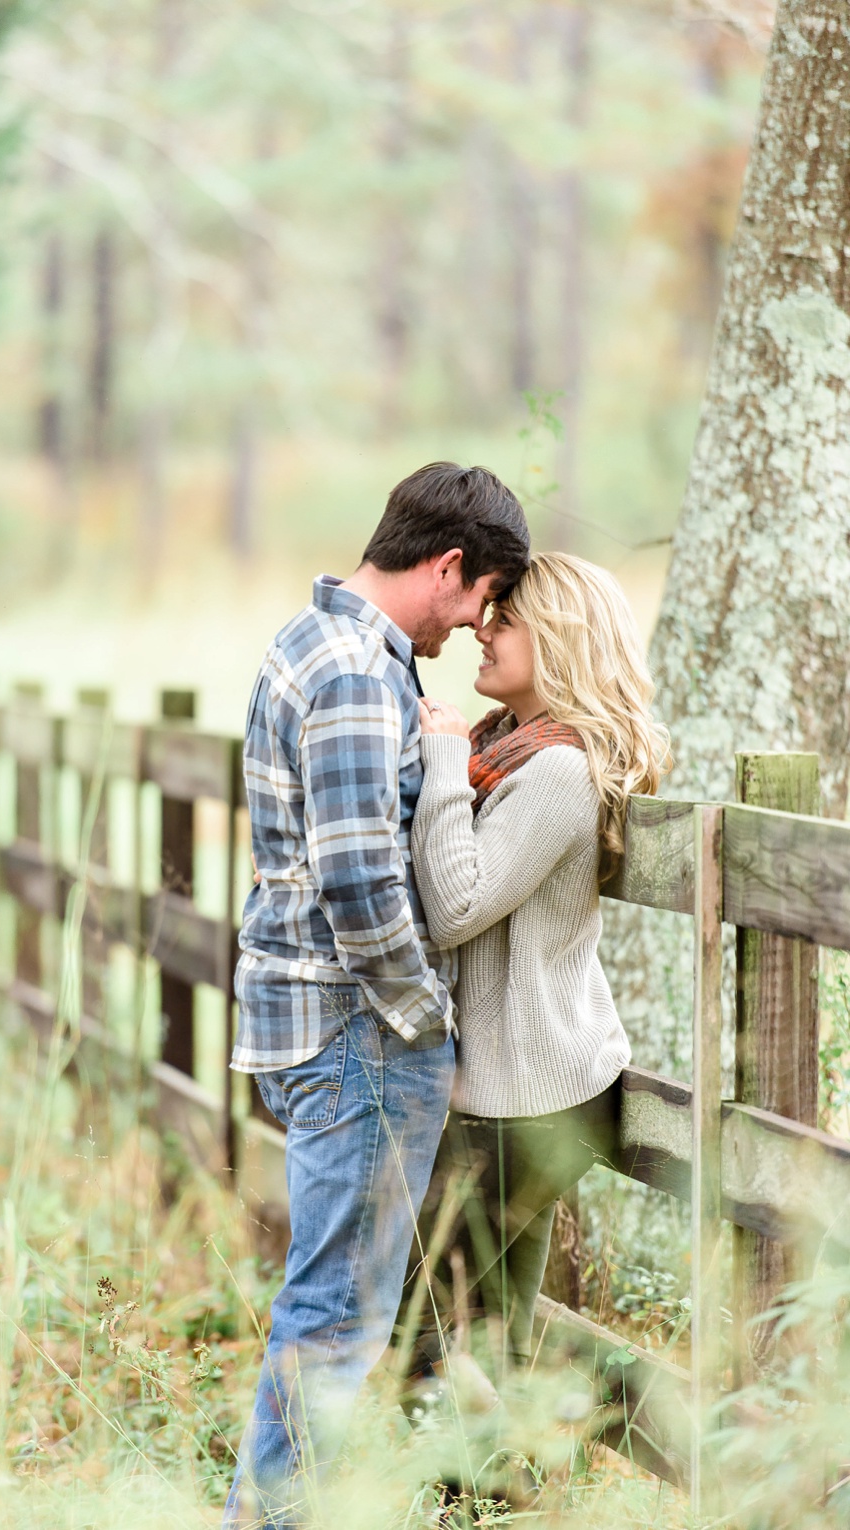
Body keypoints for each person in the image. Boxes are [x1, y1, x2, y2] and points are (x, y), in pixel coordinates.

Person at [225, 462, 530, 1527]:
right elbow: (357, 881)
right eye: (480, 597)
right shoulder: (359, 672)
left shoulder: (309, 643)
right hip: (358, 1036)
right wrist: (426, 1025)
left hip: (313, 1026)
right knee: (333, 1329)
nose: (474, 623)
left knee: (332, 1320)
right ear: (446, 567)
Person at [404, 552, 665, 1383]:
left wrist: (441, 762)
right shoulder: (507, 751)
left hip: (534, 1103)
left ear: (558, 639)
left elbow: (453, 909)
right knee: (491, 1340)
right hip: (509, 1092)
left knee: (410, 1320)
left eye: (504, 619)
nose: (481, 627)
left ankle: (692, 1443)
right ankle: (488, 1506)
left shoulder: (553, 771)